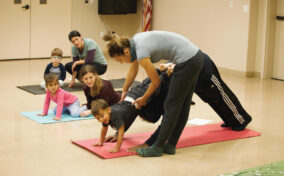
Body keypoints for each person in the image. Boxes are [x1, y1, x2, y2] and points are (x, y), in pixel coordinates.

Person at [103, 30, 204, 157]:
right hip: (195, 57)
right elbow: (133, 69)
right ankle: (171, 145)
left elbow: (155, 81)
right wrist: (124, 91)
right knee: (183, 105)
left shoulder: (141, 52)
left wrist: (144, 98)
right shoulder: (133, 43)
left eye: (120, 59)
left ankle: (158, 147)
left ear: (126, 52)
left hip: (187, 61)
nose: (122, 62)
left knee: (171, 105)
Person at [128, 52, 252, 152]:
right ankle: (230, 121)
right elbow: (133, 106)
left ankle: (242, 119)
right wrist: (119, 132)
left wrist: (148, 143)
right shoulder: (149, 90)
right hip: (189, 73)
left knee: (220, 94)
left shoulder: (168, 92)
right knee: (209, 97)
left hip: (203, 68)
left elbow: (169, 119)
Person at [91, 68, 173, 153]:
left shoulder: (115, 115)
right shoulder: (106, 114)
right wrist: (101, 141)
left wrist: (117, 149)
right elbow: (104, 128)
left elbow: (121, 132)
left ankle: (165, 74)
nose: (101, 119)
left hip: (137, 99)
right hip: (131, 96)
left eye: (101, 116)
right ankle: (158, 70)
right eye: (98, 118)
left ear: (108, 110)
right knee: (143, 85)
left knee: (152, 88)